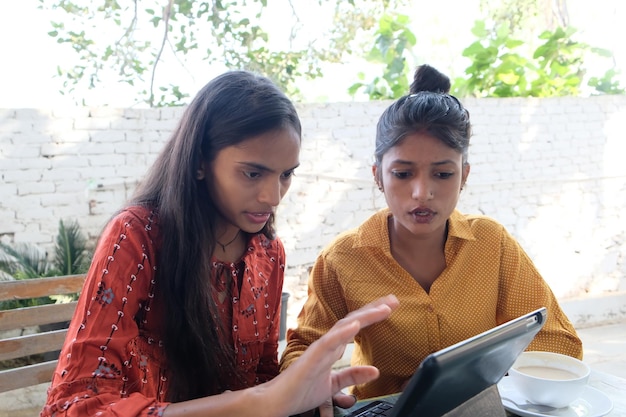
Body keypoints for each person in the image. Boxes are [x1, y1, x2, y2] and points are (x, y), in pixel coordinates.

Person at [41, 70, 400, 417]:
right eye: (253, 173)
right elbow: (73, 405)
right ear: (200, 162)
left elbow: (259, 376)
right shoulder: (137, 238)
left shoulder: (268, 255)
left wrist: (298, 397)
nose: (273, 196)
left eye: (286, 174)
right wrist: (256, 403)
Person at [279, 65, 583, 416]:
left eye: (443, 173)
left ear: (464, 175)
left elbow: (557, 342)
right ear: (378, 176)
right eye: (403, 174)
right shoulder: (343, 259)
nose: (422, 193)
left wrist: (491, 384)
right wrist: (313, 389)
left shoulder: (492, 244)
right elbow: (302, 350)